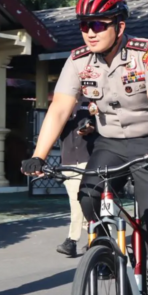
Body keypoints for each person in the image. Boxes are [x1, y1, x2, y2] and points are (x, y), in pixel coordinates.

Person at [21, 0, 148, 295]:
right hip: (110, 145)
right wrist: (39, 155)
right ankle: (108, 253)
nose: (89, 32)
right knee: (87, 195)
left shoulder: (146, 51)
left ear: (119, 26)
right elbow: (60, 107)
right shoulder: (78, 60)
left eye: (98, 24)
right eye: (84, 25)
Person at [56, 99, 97, 257]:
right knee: (82, 202)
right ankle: (96, 235)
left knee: (76, 200)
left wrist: (89, 128)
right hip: (68, 163)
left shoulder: (89, 107)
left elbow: (94, 125)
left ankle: (72, 240)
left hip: (86, 161)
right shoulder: (60, 112)